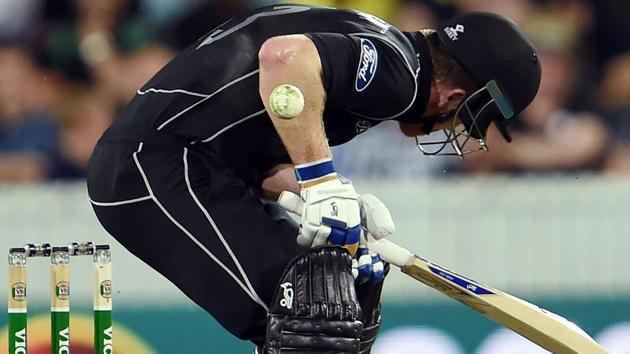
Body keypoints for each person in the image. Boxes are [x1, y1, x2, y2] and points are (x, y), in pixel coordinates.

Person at [87, 4, 541, 353]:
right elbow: (284, 57)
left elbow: (249, 131)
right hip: (158, 168)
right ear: (456, 94)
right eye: (469, 117)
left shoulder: (390, 48)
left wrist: (317, 196)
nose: (454, 128)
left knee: (333, 307)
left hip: (188, 166)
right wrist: (323, 180)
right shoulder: (400, 75)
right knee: (310, 318)